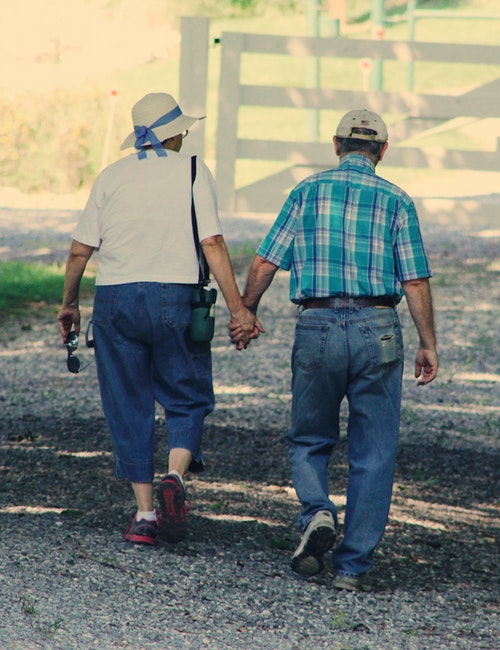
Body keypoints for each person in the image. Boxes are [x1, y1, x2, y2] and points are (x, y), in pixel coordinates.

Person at [234, 108, 438, 592]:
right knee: (375, 449)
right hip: (378, 327)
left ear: (336, 145)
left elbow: (266, 261)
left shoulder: (306, 192)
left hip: (318, 324)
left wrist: (246, 312)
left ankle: (317, 510)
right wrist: (428, 343)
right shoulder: (397, 201)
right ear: (382, 151)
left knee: (309, 436)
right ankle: (352, 568)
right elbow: (414, 278)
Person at [57, 92, 262, 546]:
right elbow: (212, 242)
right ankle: (175, 474)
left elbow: (79, 250)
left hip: (115, 300)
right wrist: (239, 309)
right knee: (186, 395)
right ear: (173, 134)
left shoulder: (110, 176)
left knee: (127, 404)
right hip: (175, 296)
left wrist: (69, 303)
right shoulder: (191, 170)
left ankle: (146, 514)